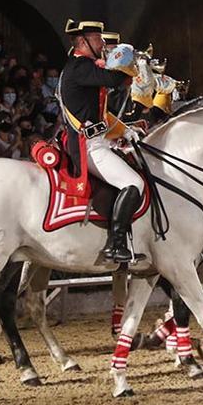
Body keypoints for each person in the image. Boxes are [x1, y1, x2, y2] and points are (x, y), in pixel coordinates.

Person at [59, 19, 142, 262]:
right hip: (88, 146)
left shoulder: (82, 66)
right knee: (133, 183)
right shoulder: (80, 66)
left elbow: (101, 113)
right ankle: (115, 244)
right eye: (97, 39)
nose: (103, 43)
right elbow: (114, 79)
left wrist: (124, 130)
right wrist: (129, 57)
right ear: (82, 42)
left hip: (97, 140)